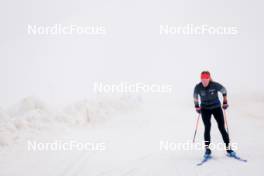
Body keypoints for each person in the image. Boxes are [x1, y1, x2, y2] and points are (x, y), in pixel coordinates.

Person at [193, 71, 235, 157]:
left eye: (206, 79)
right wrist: (197, 106)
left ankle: (229, 149)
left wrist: (225, 102)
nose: (204, 81)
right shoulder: (198, 87)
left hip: (216, 108)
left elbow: (224, 90)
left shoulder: (214, 85)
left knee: (221, 128)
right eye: (202, 79)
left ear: (209, 79)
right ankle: (207, 150)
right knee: (207, 127)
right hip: (205, 109)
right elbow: (195, 96)